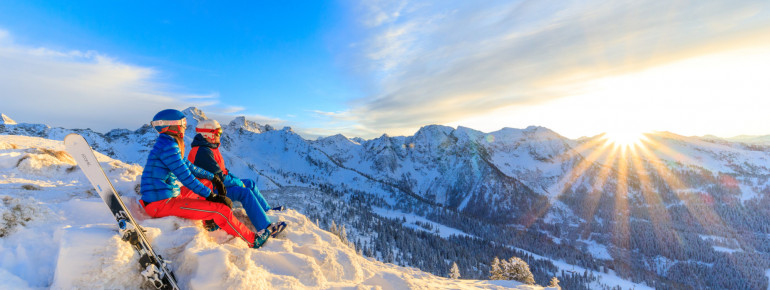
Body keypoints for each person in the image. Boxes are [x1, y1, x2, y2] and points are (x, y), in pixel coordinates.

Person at [139, 109, 271, 248]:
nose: (185, 126)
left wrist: (212, 177)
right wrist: (211, 197)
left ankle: (209, 220)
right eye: (183, 122)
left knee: (206, 182)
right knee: (220, 209)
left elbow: (188, 165)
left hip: (165, 196)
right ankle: (252, 240)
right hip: (161, 204)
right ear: (172, 124)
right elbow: (187, 178)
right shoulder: (169, 147)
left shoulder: (167, 143)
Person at [181, 119, 287, 237]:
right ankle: (265, 227)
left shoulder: (209, 148)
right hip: (209, 191)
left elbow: (222, 171)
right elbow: (220, 177)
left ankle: (266, 211)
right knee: (245, 192)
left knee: (249, 183)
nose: (219, 135)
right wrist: (238, 183)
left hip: (215, 185)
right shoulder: (203, 152)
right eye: (217, 133)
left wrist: (237, 180)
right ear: (208, 134)